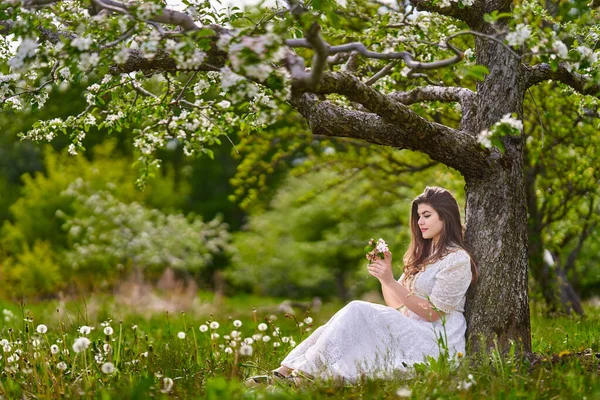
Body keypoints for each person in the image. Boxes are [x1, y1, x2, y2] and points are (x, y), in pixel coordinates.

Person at [245, 186, 478, 387]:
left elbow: (432, 312)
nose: (420, 222)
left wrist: (389, 280)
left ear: (445, 217)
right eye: (418, 216)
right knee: (339, 321)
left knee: (357, 309)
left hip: (436, 342)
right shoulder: (424, 256)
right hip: (410, 329)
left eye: (427, 215)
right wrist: (384, 277)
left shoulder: (457, 260)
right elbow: (396, 303)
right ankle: (284, 371)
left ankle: (303, 376)